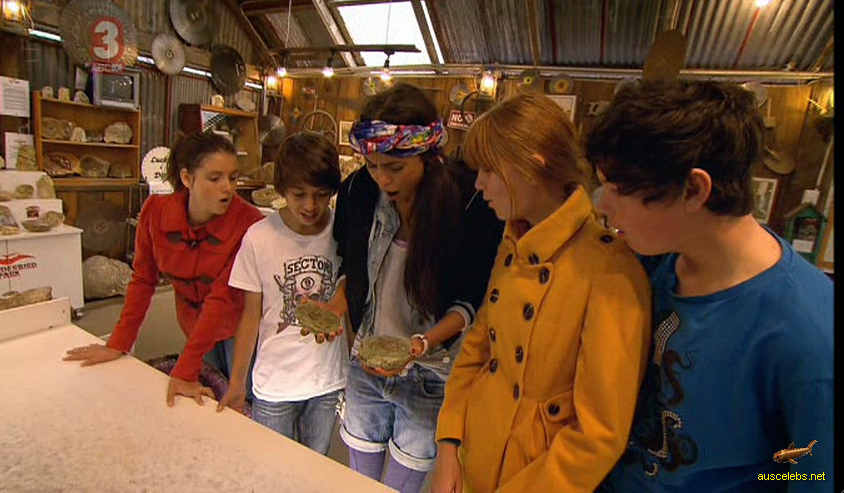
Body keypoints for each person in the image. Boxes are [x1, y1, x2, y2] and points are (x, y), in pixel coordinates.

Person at [585, 80, 833, 492]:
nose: (603, 206)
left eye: (616, 189)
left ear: (694, 189)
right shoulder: (650, 264)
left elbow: (813, 474)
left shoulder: (808, 331)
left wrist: (754, 483)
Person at [430, 90, 652, 493]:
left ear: (531, 166)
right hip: (473, 456)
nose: (479, 184)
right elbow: (477, 350)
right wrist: (449, 443)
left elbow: (599, 435)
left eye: (488, 170)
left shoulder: (610, 270)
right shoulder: (515, 240)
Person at [328, 83, 504, 492]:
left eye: (395, 167)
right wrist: (336, 304)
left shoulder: (468, 203)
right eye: (373, 165)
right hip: (366, 364)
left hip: (430, 372)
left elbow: (470, 301)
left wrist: (419, 346)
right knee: (359, 484)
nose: (382, 178)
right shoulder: (357, 191)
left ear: (427, 154)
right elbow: (351, 265)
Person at [64, 131, 265, 407]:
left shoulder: (248, 222)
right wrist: (119, 343)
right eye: (215, 178)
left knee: (245, 394)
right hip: (193, 321)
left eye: (233, 177)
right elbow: (142, 280)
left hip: (239, 322)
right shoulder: (155, 212)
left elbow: (222, 299)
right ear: (187, 179)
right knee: (209, 386)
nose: (227, 188)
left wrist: (185, 370)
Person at [217, 132, 348, 456]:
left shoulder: (343, 231)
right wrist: (237, 383)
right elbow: (250, 315)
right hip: (275, 383)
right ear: (282, 189)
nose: (310, 206)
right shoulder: (259, 238)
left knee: (314, 466)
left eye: (321, 195)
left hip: (326, 381)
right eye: (299, 194)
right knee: (272, 467)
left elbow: (351, 286)